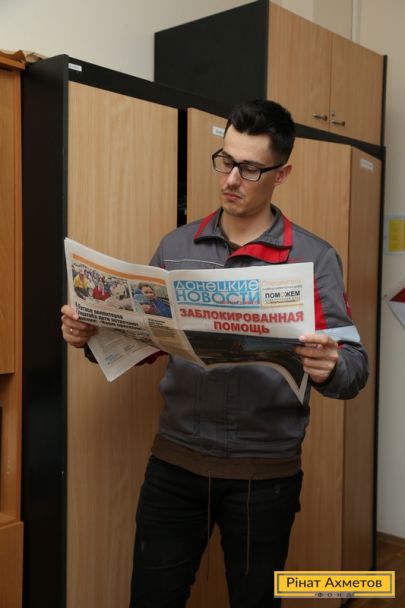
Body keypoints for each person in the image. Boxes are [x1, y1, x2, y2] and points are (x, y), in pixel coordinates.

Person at [61, 99, 368, 608]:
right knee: (151, 598)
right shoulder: (177, 246)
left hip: (264, 478)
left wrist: (332, 366)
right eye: (225, 161)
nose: (231, 179)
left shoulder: (314, 258)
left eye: (250, 168)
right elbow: (145, 342)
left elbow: (355, 368)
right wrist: (92, 335)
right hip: (174, 464)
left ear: (282, 173)